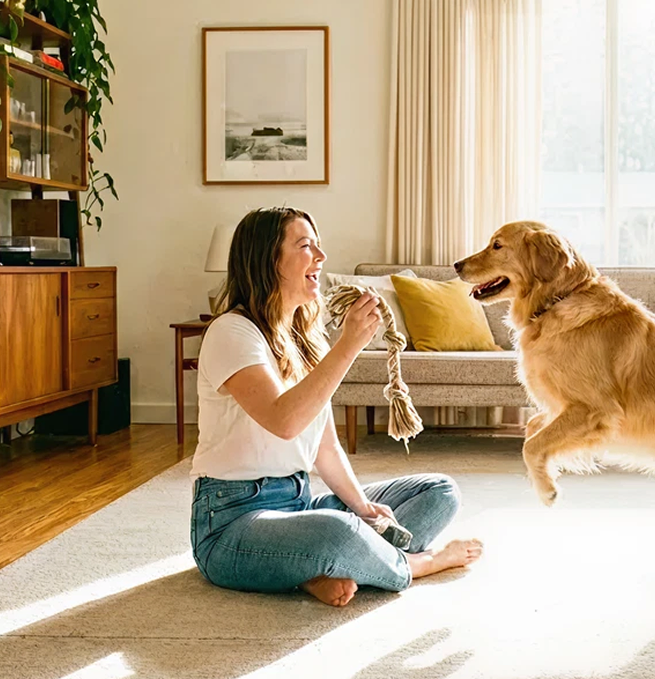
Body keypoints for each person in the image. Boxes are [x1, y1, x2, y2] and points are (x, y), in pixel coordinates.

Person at [191, 206, 483, 607]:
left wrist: (363, 508)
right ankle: (415, 564)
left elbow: (325, 447)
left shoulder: (304, 339)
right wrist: (349, 345)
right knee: (335, 531)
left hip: (299, 505)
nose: (321, 257)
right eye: (305, 246)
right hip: (232, 523)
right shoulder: (231, 332)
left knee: (438, 492)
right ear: (267, 260)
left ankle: (315, 571)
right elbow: (284, 421)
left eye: (318, 245)